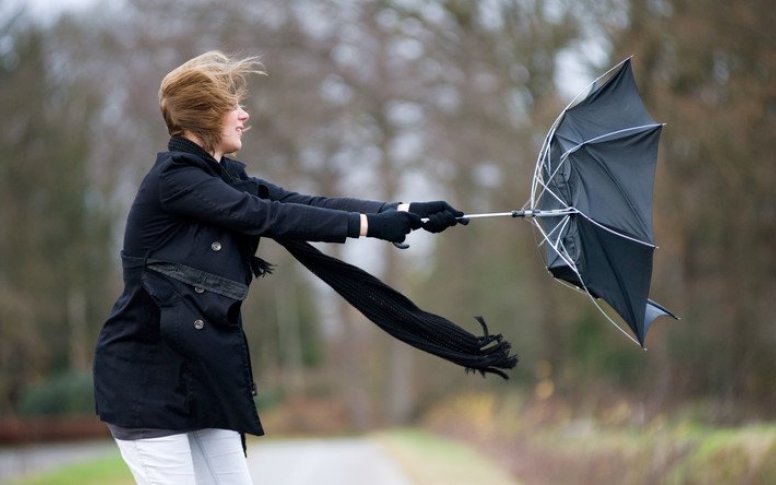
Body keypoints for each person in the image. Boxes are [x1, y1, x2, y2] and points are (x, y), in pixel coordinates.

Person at [92, 51, 464, 484]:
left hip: (202, 375)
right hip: (146, 382)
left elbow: (297, 203)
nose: (245, 115)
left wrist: (401, 210)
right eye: (234, 106)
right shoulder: (175, 180)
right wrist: (369, 226)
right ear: (206, 114)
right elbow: (265, 217)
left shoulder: (221, 177)